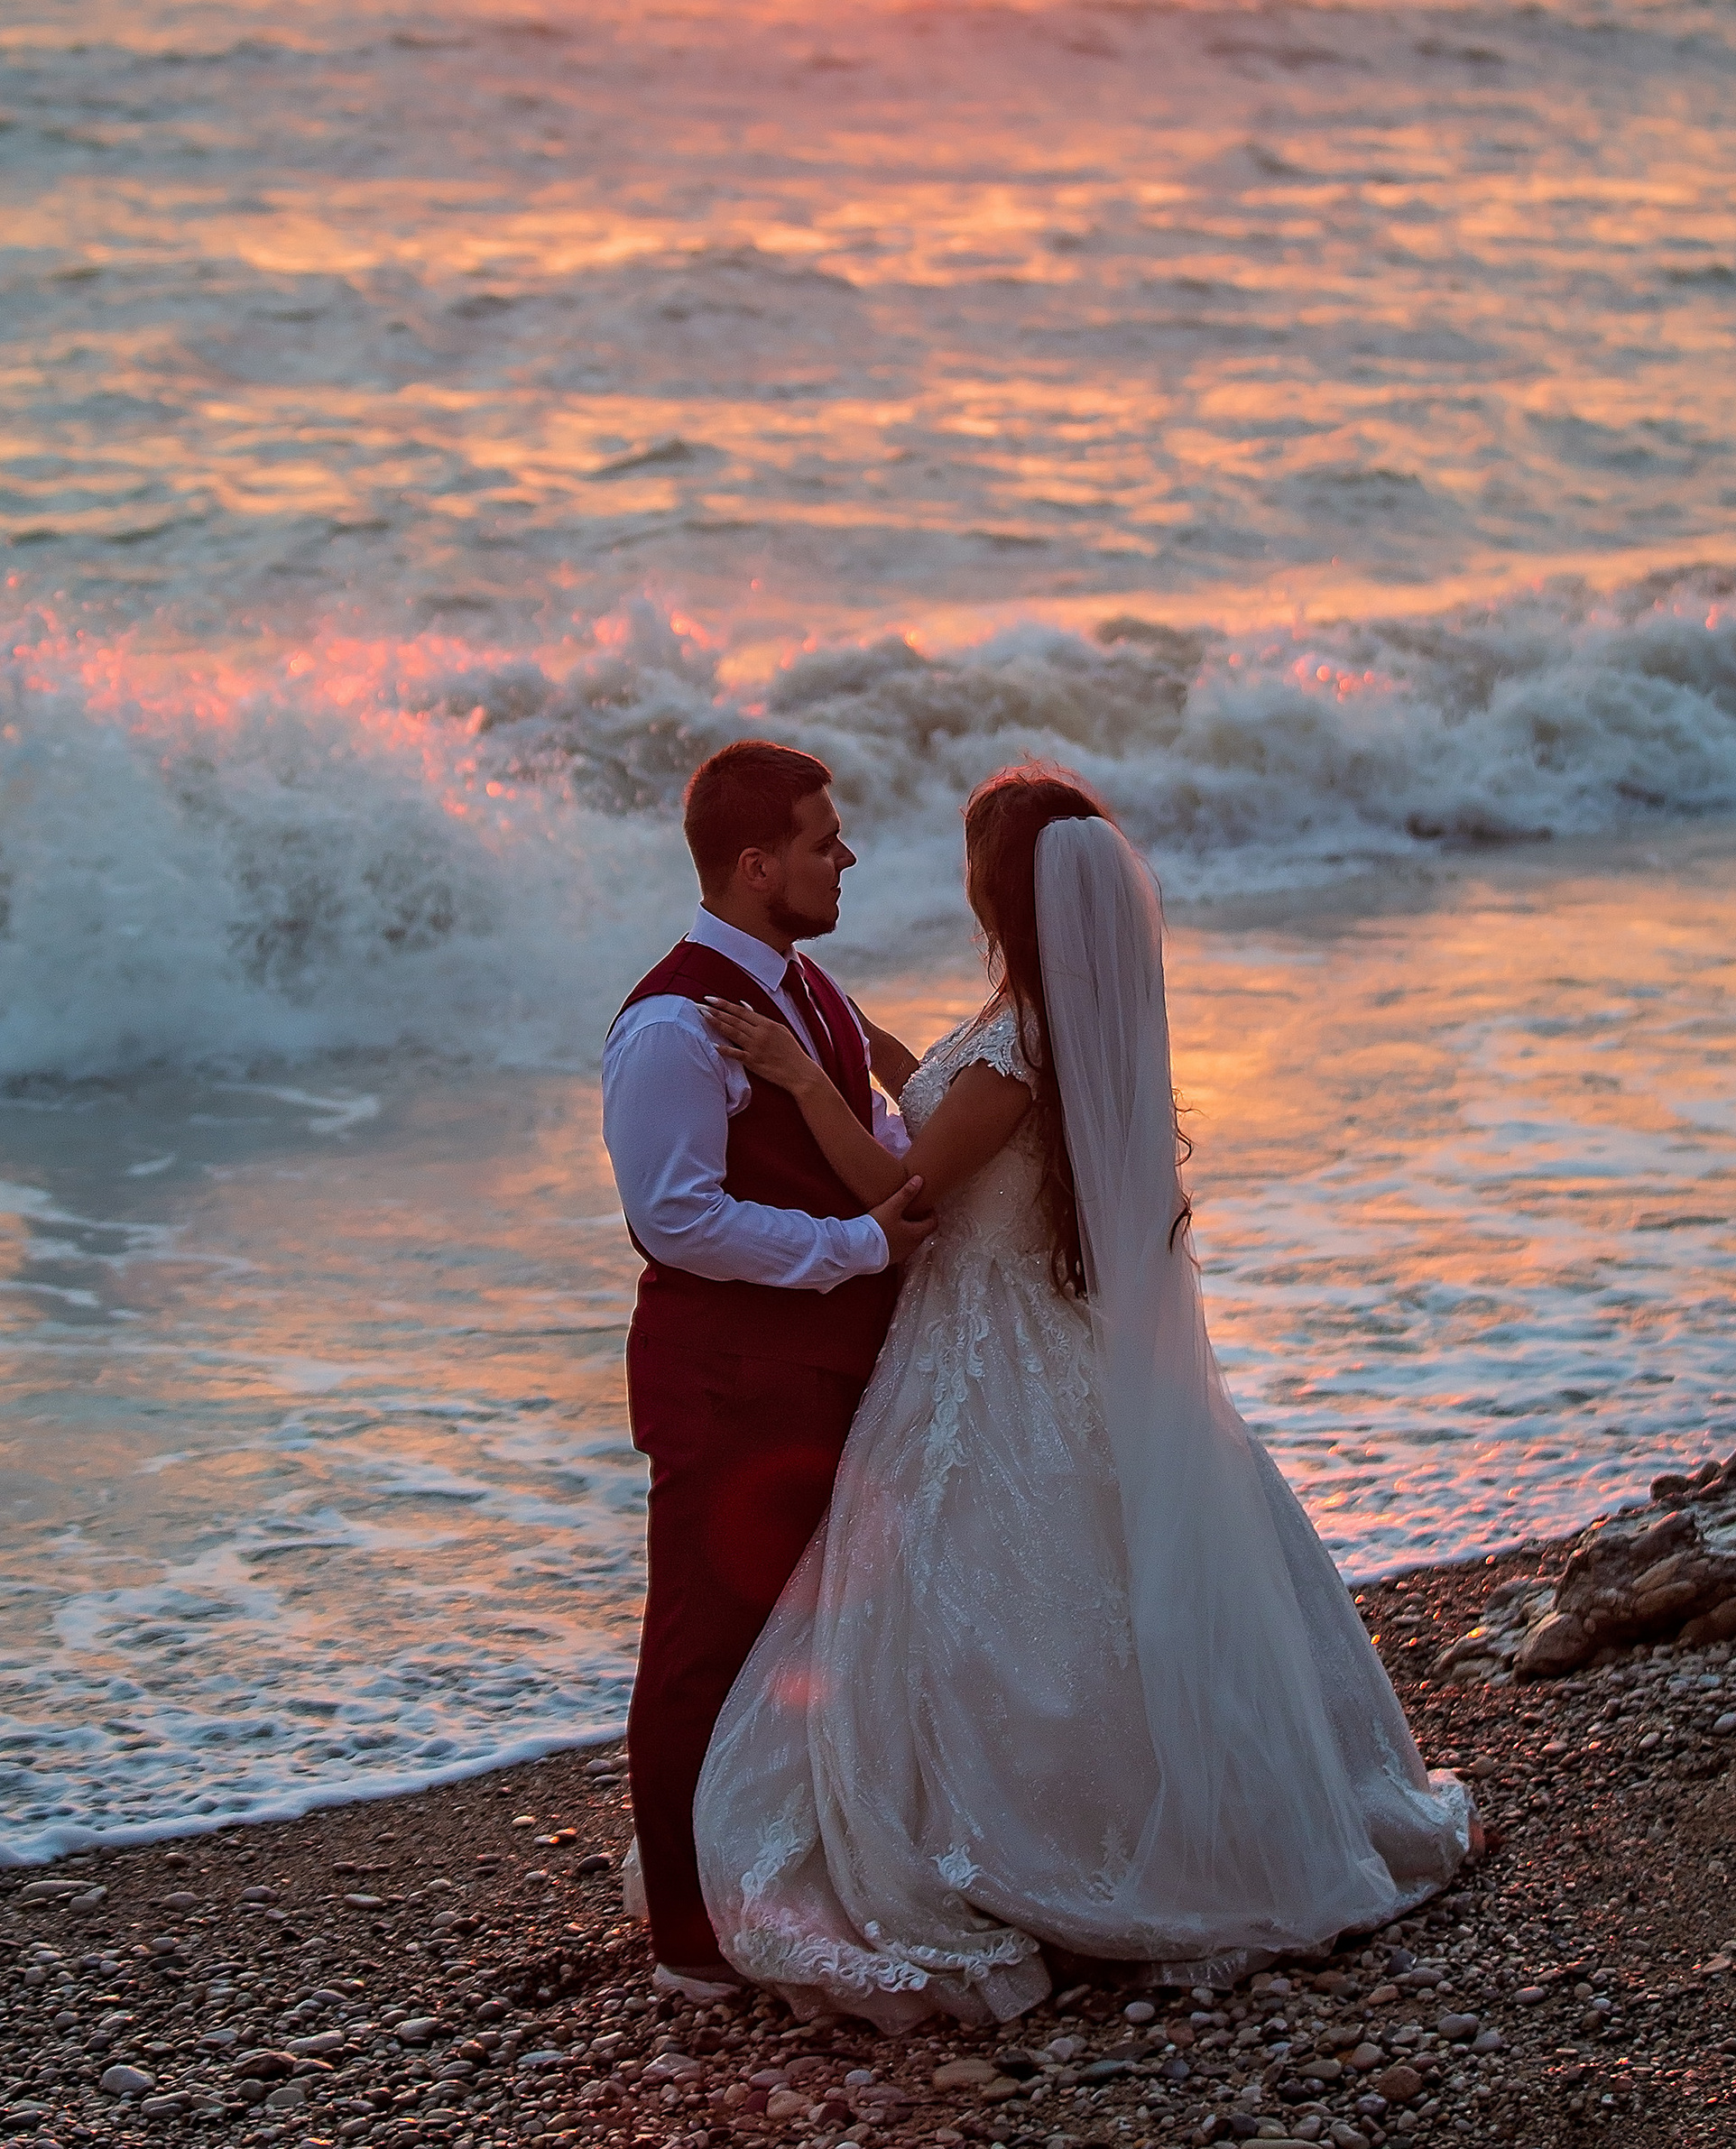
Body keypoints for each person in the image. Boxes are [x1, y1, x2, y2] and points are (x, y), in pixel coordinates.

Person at [688, 763, 1472, 2025]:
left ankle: (1040, 1840)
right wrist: (868, 1044)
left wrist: (796, 1075)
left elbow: (907, 1197)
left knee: (987, 1585)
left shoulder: (1019, 1044)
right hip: (1035, 1327)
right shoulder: (1044, 1021)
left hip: (984, 1338)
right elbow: (943, 1096)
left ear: (999, 891)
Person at [601, 737, 935, 2001]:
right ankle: (690, 1940)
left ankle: (778, 1880)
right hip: (728, 1378)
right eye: (818, 839)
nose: (843, 856)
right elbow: (674, 1218)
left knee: (800, 1644)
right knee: (701, 1640)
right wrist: (857, 1244)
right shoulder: (672, 1025)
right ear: (754, 865)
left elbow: (874, 1132)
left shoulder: (816, 994)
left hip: (820, 1372)